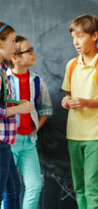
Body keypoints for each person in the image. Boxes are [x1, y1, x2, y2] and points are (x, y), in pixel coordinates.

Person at [61, 14, 98, 209]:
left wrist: (86, 102)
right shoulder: (71, 65)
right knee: (79, 188)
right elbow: (67, 95)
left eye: (80, 36)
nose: (76, 42)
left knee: (92, 189)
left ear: (94, 36)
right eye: (73, 37)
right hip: (74, 133)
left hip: (96, 134)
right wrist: (66, 101)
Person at [6, 35, 53, 209]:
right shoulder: (5, 79)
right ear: (15, 57)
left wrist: (35, 129)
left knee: (35, 186)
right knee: (8, 189)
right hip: (9, 142)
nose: (34, 53)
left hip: (29, 142)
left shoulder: (37, 81)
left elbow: (46, 108)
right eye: (28, 50)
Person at [0, 23, 33, 209]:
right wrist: (18, 110)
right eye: (12, 41)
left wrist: (17, 103)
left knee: (13, 190)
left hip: (4, 142)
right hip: (0, 141)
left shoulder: (3, 71)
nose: (15, 46)